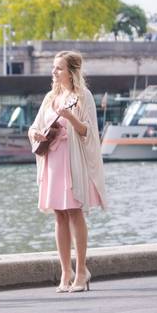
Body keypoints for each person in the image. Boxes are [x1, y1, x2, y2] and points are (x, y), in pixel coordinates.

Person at [28, 51, 107, 293]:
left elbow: (89, 133)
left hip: (71, 161)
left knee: (74, 212)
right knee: (59, 215)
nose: (54, 72)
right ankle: (66, 271)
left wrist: (71, 117)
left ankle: (82, 270)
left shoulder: (84, 96)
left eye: (59, 68)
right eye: (54, 68)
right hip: (53, 160)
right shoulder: (50, 97)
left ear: (71, 72)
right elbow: (34, 126)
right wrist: (37, 134)